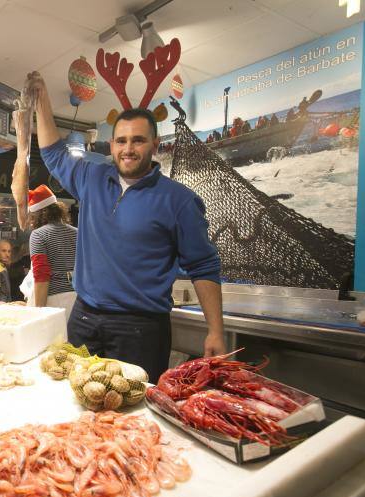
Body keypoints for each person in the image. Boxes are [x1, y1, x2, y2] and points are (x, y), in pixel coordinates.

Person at [27, 71, 224, 381]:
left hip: (141, 329)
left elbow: (204, 267)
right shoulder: (92, 179)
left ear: (154, 144)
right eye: (121, 140)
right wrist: (41, 100)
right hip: (84, 318)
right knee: (75, 401)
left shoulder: (180, 201)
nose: (128, 149)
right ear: (111, 144)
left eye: (138, 140)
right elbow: (53, 153)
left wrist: (215, 330)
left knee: (134, 414)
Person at [27, 185, 78, 313]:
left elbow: (41, 275)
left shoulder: (38, 235)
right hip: (79, 298)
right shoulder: (77, 233)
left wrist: (39, 312)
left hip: (54, 300)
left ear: (38, 214)